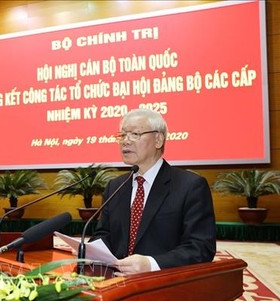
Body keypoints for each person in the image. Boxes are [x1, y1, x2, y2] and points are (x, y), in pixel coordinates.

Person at [90, 108, 216, 275]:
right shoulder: (116, 186)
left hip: (163, 284)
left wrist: (151, 264)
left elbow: (200, 247)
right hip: (115, 282)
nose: (125, 141)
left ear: (158, 140)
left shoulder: (190, 186)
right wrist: (90, 250)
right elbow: (104, 234)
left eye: (134, 134)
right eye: (122, 135)